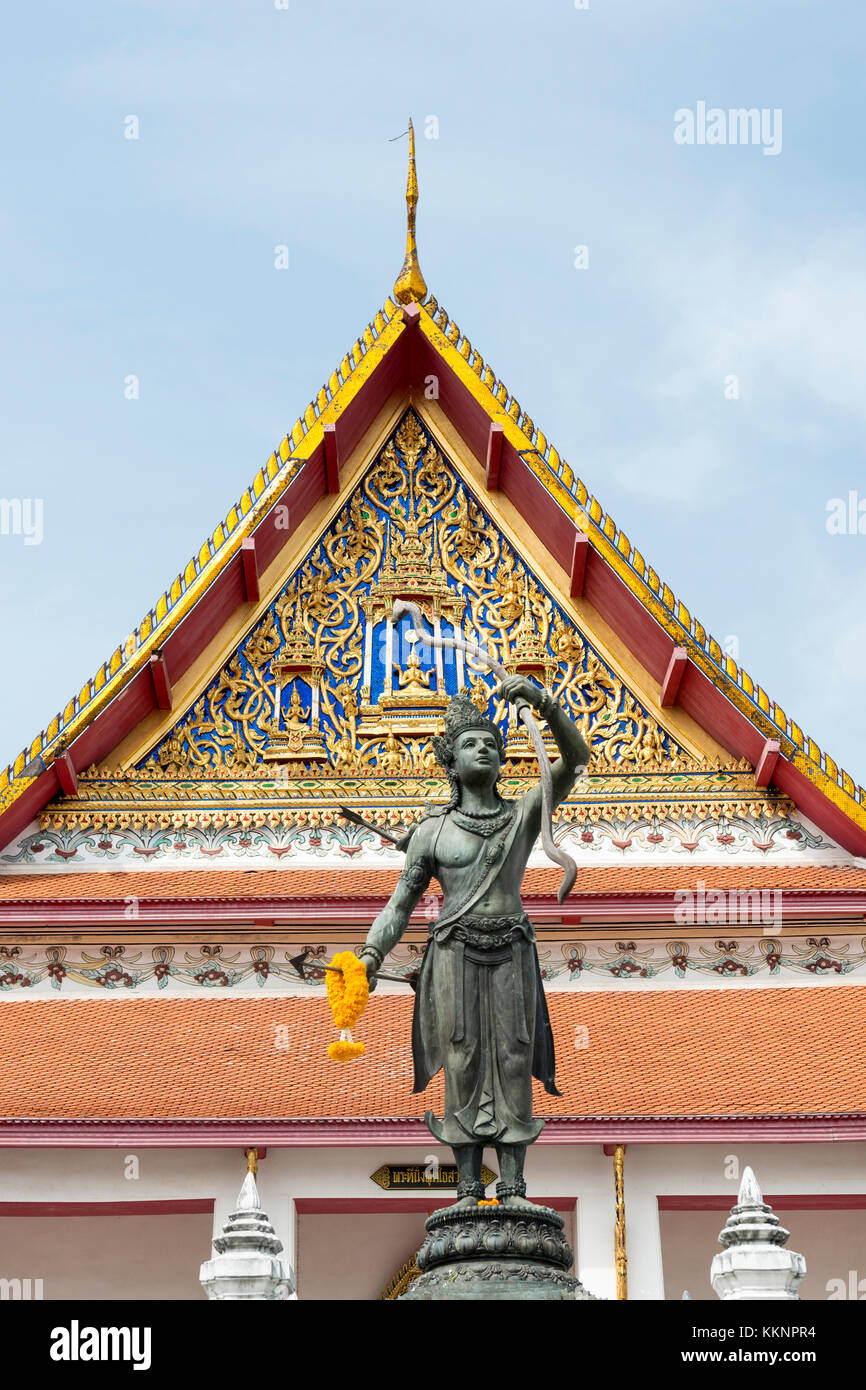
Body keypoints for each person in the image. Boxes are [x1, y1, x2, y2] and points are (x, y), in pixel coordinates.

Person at [358, 678, 590, 1209]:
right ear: (451, 762)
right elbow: (400, 904)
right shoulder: (433, 832)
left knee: (513, 1054)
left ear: (502, 758)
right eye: (470, 743)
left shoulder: (524, 813)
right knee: (460, 1057)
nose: (482, 748)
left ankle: (512, 1187)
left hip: (511, 946)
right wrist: (371, 954)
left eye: (490, 741)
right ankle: (466, 1186)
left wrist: (546, 703)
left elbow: (576, 762)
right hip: (453, 952)